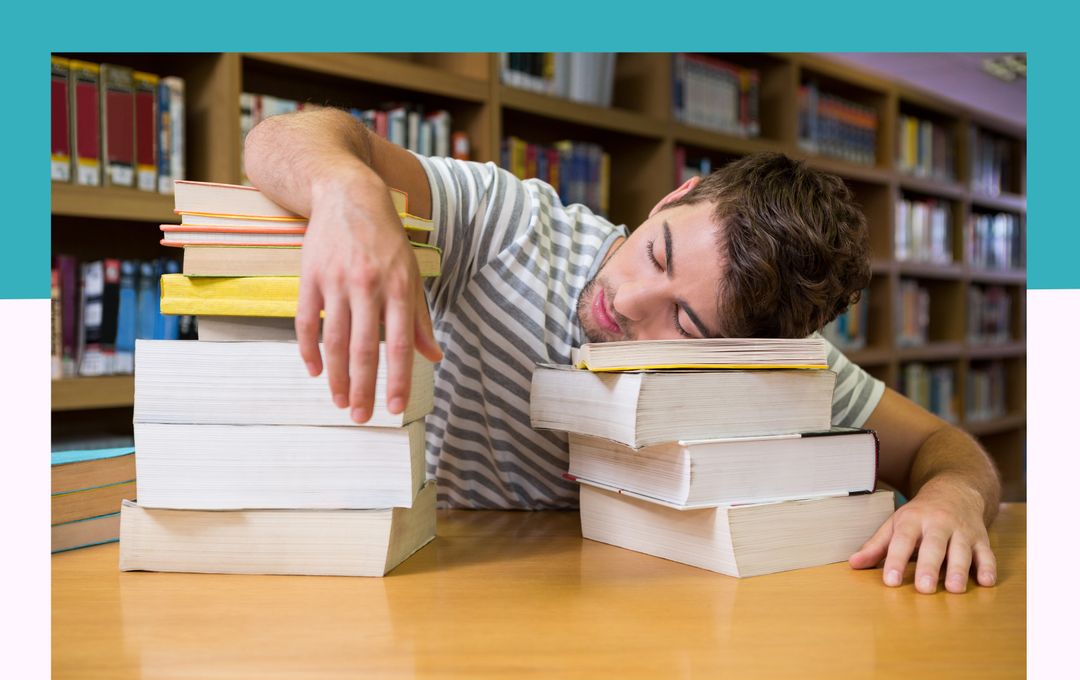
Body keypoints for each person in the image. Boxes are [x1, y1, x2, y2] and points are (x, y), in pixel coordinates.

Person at [244, 106, 1000, 595]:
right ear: (675, 197)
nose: (627, 300)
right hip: (429, 576)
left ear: (746, 356)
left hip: (623, 618)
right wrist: (351, 193)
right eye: (659, 253)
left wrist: (953, 497)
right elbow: (281, 135)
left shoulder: (780, 365)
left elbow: (942, 445)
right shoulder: (513, 228)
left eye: (687, 324)